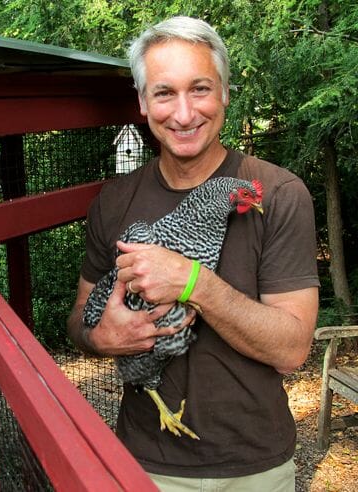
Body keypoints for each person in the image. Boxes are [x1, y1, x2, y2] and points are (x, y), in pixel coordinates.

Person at [67, 16, 320, 491]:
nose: (184, 114)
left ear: (224, 91)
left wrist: (191, 282)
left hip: (254, 468)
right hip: (143, 462)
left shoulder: (283, 195)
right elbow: (80, 316)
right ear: (143, 102)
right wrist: (100, 337)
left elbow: (291, 351)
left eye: (200, 88)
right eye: (164, 93)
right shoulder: (115, 201)